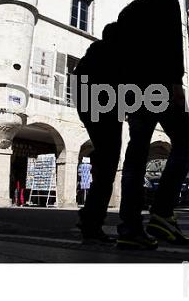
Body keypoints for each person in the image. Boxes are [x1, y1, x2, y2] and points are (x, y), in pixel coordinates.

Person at [114, 0, 189, 249]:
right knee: (184, 142)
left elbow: (120, 55)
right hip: (161, 85)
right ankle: (161, 211)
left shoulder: (126, 13)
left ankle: (129, 228)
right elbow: (172, 43)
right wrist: (176, 82)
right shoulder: (167, 2)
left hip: (133, 90)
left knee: (135, 156)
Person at [73, 22, 123, 245]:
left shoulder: (94, 51)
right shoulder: (112, 54)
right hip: (107, 114)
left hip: (95, 112)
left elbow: (77, 80)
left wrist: (85, 113)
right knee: (107, 169)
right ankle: (92, 223)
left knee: (104, 164)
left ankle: (89, 218)